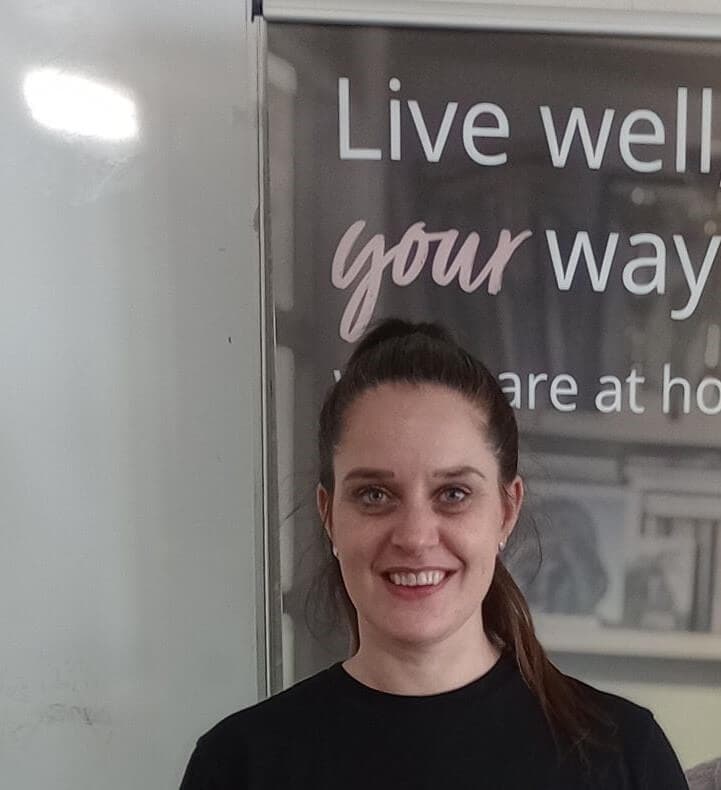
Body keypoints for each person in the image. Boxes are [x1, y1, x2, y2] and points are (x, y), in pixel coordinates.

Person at [179, 318, 689, 789]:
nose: (416, 536)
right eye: (375, 495)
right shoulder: (239, 765)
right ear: (330, 514)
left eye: (453, 494)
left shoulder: (624, 756)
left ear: (506, 512)